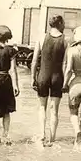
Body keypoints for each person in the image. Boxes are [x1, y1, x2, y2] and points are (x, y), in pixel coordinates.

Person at [30, 15, 69, 147]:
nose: (64, 25)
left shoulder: (42, 37)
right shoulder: (65, 39)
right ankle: (52, 139)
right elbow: (65, 64)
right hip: (58, 77)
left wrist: (32, 78)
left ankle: (42, 134)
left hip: (43, 76)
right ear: (59, 24)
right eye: (63, 23)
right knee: (54, 110)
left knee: (42, 107)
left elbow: (34, 60)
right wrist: (65, 82)